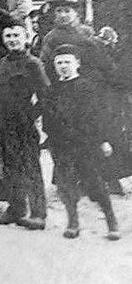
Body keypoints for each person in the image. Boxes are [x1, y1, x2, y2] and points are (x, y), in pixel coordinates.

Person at [43, 45, 121, 240]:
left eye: (67, 62)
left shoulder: (87, 87)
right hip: (61, 145)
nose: (63, 66)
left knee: (94, 183)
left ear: (77, 63)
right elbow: (48, 116)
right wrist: (48, 137)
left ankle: (111, 221)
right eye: (59, 63)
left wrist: (103, 140)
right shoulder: (53, 89)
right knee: (66, 185)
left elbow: (99, 116)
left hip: (85, 144)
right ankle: (73, 221)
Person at [0, 21, 51, 230]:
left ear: (26, 37)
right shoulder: (3, 62)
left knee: (30, 167)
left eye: (16, 35)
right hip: (3, 122)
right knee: (10, 166)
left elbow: (45, 96)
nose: (12, 40)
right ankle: (15, 209)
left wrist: (31, 116)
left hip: (24, 123)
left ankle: (38, 214)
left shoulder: (33, 63)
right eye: (8, 36)